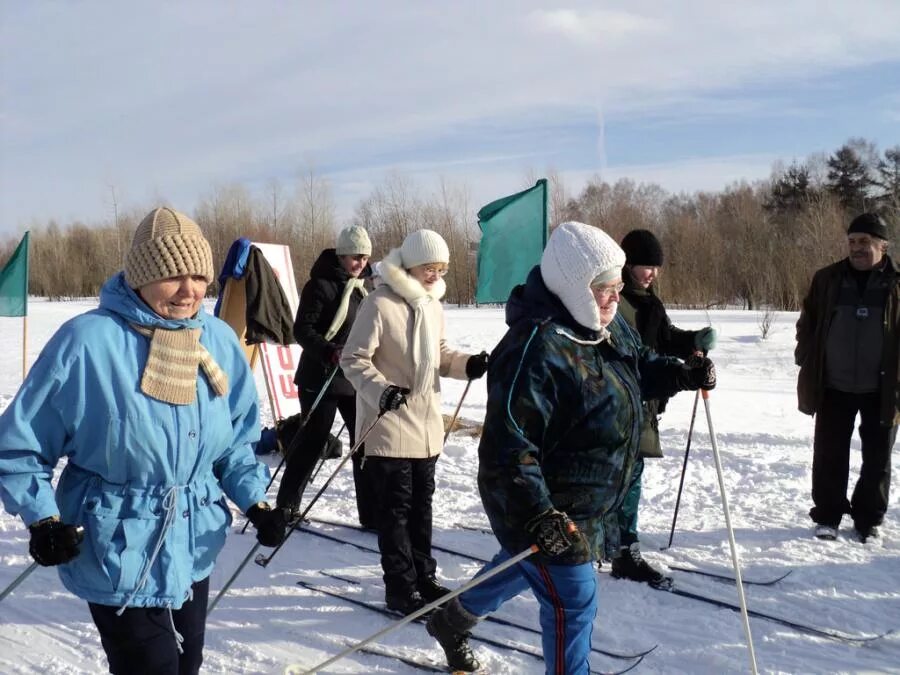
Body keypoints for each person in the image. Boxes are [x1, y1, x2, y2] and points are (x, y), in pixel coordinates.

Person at [0, 207, 286, 675]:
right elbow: (19, 446)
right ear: (141, 276)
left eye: (197, 275)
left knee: (186, 665)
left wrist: (257, 503)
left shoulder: (215, 338)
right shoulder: (88, 341)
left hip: (193, 542)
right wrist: (42, 520)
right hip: (117, 544)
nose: (189, 289)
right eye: (173, 275)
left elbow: (235, 438)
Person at [425, 221, 716, 673]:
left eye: (618, 287)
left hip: (587, 500)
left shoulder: (606, 324)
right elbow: (508, 452)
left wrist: (681, 373)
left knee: (523, 563)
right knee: (573, 601)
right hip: (551, 508)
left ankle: (453, 620)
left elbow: (638, 363)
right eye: (604, 288)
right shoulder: (535, 348)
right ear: (575, 286)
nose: (615, 297)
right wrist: (539, 518)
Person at [340, 229, 489, 615]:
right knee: (396, 511)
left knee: (422, 508)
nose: (435, 274)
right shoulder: (379, 303)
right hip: (388, 423)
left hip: (426, 426)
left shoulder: (432, 306)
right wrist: (381, 390)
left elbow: (438, 354)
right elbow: (353, 358)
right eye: (428, 267)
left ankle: (425, 576)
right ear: (409, 264)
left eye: (441, 268)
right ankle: (400, 588)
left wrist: (466, 364)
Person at [607, 229, 717, 588]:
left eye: (656, 267)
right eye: (644, 266)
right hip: (619, 402)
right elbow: (638, 356)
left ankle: (622, 546)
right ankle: (619, 547)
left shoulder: (650, 302)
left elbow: (664, 339)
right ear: (627, 266)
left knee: (632, 474)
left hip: (647, 401)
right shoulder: (614, 302)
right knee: (618, 475)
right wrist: (678, 375)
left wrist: (694, 343)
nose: (651, 274)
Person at [795, 212, 899, 542]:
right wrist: (807, 356)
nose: (856, 248)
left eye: (865, 242)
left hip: (882, 388)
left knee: (878, 458)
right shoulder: (827, 279)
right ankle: (828, 515)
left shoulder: (897, 284)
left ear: (883, 245)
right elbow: (807, 322)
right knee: (829, 453)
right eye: (852, 242)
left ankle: (868, 519)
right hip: (833, 384)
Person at [275, 225, 377, 528]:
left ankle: (371, 514)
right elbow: (302, 330)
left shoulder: (363, 288)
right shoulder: (320, 285)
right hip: (320, 375)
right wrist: (329, 350)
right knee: (314, 440)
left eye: (365, 257)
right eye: (354, 257)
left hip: (352, 376)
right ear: (342, 255)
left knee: (364, 444)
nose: (360, 263)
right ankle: (287, 505)